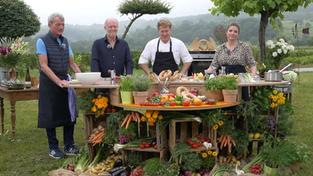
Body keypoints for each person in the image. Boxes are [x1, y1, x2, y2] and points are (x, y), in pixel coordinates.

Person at [36, 13, 81, 159]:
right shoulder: (42, 41)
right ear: (50, 25)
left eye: (63, 24)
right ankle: (53, 148)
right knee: (50, 116)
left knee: (70, 113)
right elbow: (43, 66)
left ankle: (69, 145)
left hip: (65, 83)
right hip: (50, 84)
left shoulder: (65, 41)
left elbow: (72, 63)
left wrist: (83, 77)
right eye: (58, 25)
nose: (61, 27)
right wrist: (58, 81)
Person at [207, 23, 257, 100]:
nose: (232, 33)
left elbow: (252, 64)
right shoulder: (220, 48)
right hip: (223, 79)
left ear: (238, 34)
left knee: (241, 102)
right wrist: (206, 74)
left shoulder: (244, 47)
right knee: (224, 103)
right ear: (226, 32)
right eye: (230, 30)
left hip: (240, 79)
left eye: (235, 31)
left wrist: (253, 76)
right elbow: (213, 65)